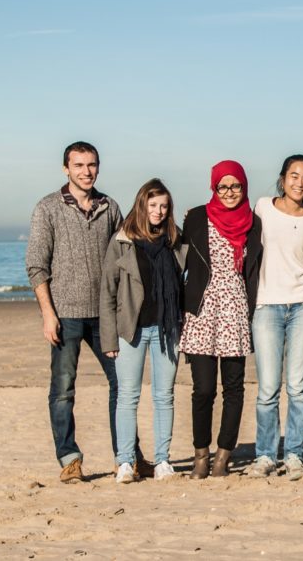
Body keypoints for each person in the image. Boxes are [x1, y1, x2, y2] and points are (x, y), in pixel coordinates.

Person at [26, 141, 141, 483]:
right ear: (66, 168)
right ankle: (70, 458)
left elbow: (126, 257)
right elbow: (35, 266)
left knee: (123, 384)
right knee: (63, 388)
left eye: (91, 165)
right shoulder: (47, 208)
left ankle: (127, 457)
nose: (86, 171)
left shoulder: (110, 207)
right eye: (79, 165)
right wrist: (49, 314)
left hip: (106, 315)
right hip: (65, 314)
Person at [180, 160, 263, 479]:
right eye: (222, 186)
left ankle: (223, 456)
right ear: (213, 188)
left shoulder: (253, 223)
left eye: (235, 186)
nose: (229, 192)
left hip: (236, 309)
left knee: (234, 387)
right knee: (202, 389)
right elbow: (179, 258)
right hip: (202, 310)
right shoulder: (197, 217)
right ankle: (201, 453)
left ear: (244, 186)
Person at [100, 179, 185, 483]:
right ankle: (125, 462)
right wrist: (109, 337)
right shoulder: (122, 241)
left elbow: (187, 285)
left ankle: (162, 461)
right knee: (128, 397)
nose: (159, 211)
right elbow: (107, 293)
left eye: (164, 206)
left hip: (167, 329)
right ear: (141, 205)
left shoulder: (177, 241)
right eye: (153, 205)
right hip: (131, 330)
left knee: (164, 396)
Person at [250, 154, 303, 481]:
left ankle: (294, 454)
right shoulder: (263, 207)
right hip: (267, 305)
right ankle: (265, 454)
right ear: (282, 178)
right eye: (294, 175)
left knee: (298, 387)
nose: (299, 182)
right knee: (267, 388)